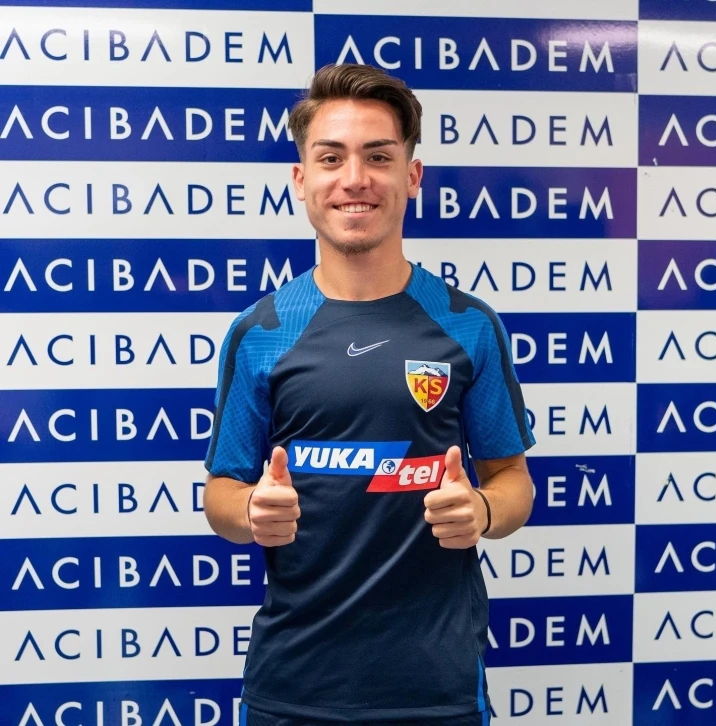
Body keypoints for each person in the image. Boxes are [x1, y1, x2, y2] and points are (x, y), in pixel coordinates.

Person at [203, 63, 536, 726]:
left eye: (378, 156)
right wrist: (251, 512)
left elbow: (513, 482)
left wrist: (481, 509)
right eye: (331, 158)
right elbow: (221, 495)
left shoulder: (470, 324)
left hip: (437, 691)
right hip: (292, 690)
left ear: (412, 175)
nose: (354, 178)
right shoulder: (260, 332)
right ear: (301, 179)